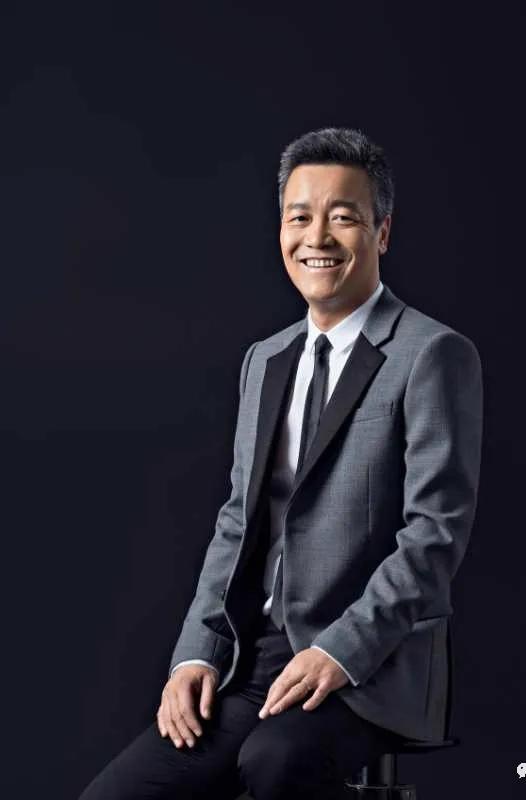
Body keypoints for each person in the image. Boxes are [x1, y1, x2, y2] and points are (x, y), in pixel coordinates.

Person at [78, 127, 483, 800]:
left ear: (382, 232)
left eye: (343, 217)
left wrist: (340, 649)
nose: (317, 237)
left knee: (275, 765)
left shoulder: (432, 354)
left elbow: (434, 536)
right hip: (258, 659)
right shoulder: (264, 360)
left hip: (371, 665)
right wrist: (195, 655)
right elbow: (237, 522)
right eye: (299, 217)